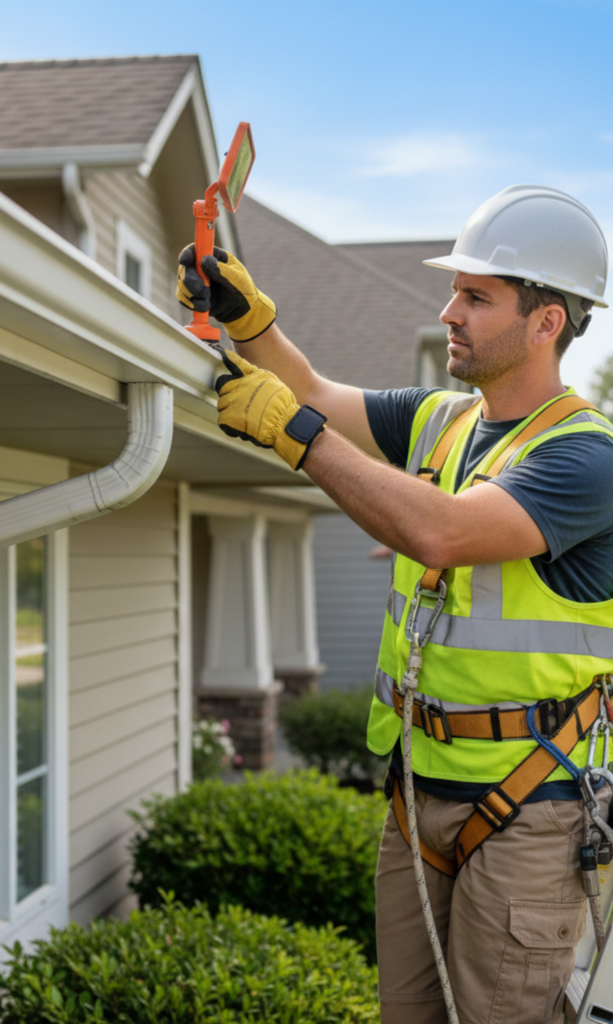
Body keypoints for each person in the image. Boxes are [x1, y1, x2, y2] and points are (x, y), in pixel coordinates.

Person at [177, 184, 613, 1024]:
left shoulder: (585, 458)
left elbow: (441, 532)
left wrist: (295, 438)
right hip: (417, 795)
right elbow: (308, 390)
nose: (448, 310)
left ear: (546, 320)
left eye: (475, 296)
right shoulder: (442, 421)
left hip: (529, 809)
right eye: (453, 291)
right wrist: (251, 324)